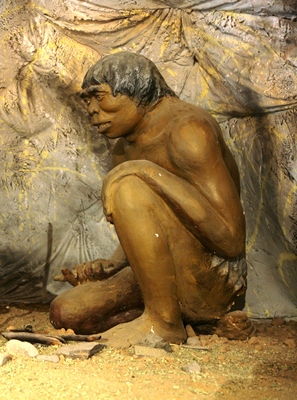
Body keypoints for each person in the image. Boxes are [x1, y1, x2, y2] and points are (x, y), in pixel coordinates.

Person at [49, 52, 249, 347]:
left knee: (129, 184)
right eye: (87, 100)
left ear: (137, 90)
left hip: (209, 283)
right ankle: (174, 318)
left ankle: (164, 324)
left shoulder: (188, 130)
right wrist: (114, 263)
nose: (91, 110)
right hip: (162, 279)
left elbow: (231, 240)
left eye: (99, 97)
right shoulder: (124, 150)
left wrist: (144, 171)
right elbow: (151, 226)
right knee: (66, 312)